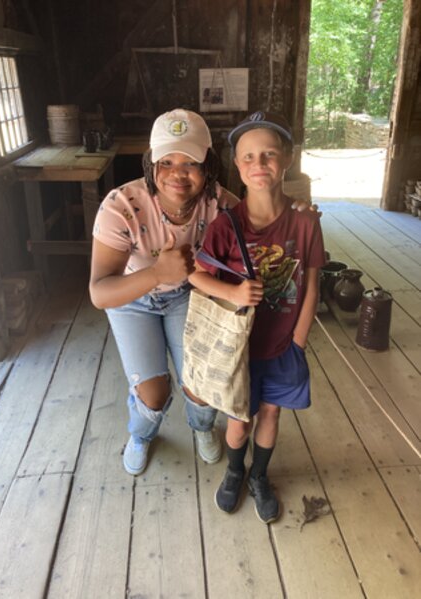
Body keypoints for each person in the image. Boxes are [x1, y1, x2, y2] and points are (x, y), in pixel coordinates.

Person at [89, 108, 315, 477]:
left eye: (191, 162)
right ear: (150, 164)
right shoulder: (121, 206)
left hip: (188, 295)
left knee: (203, 382)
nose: (178, 173)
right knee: (153, 393)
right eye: (166, 162)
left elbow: (265, 220)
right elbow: (100, 293)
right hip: (132, 300)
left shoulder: (221, 204)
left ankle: (201, 426)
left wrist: (297, 210)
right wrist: (156, 273)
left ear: (208, 165)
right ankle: (142, 433)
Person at [189, 111, 326, 523]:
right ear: (237, 165)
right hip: (238, 348)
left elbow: (312, 284)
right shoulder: (226, 226)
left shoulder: (305, 222)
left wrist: (298, 341)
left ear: (287, 159)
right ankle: (235, 471)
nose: (259, 164)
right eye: (248, 156)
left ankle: (260, 475)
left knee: (271, 412)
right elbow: (196, 275)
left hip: (284, 345)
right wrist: (232, 291)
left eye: (269, 154)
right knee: (239, 420)